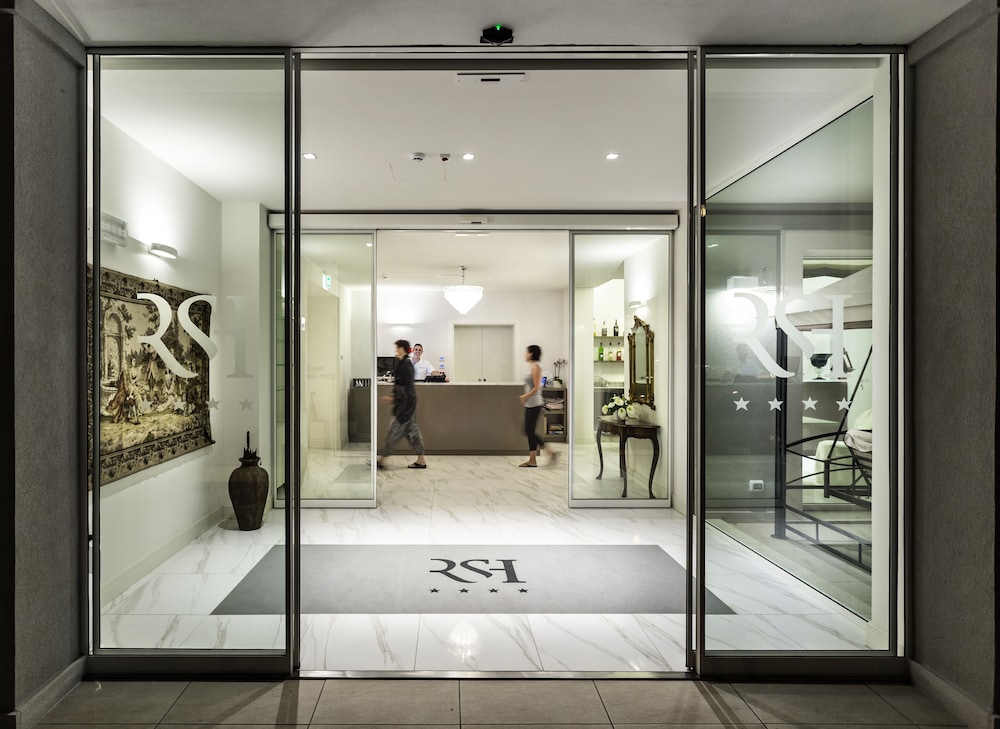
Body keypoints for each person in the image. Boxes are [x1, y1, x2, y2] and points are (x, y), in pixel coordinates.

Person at [376, 339, 428, 470]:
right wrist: (394, 396)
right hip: (406, 405)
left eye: (397, 348)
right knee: (412, 432)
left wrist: (393, 397)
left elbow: (406, 387)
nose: (396, 350)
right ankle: (421, 459)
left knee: (394, 432)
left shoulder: (406, 365)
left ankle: (381, 459)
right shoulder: (402, 363)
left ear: (402, 349)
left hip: (406, 406)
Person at [517, 344, 558, 467]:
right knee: (529, 431)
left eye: (526, 352)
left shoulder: (536, 368)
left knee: (528, 431)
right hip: (530, 404)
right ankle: (532, 460)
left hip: (535, 404)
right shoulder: (532, 367)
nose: (524, 355)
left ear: (531, 354)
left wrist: (524, 396)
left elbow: (536, 388)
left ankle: (551, 451)